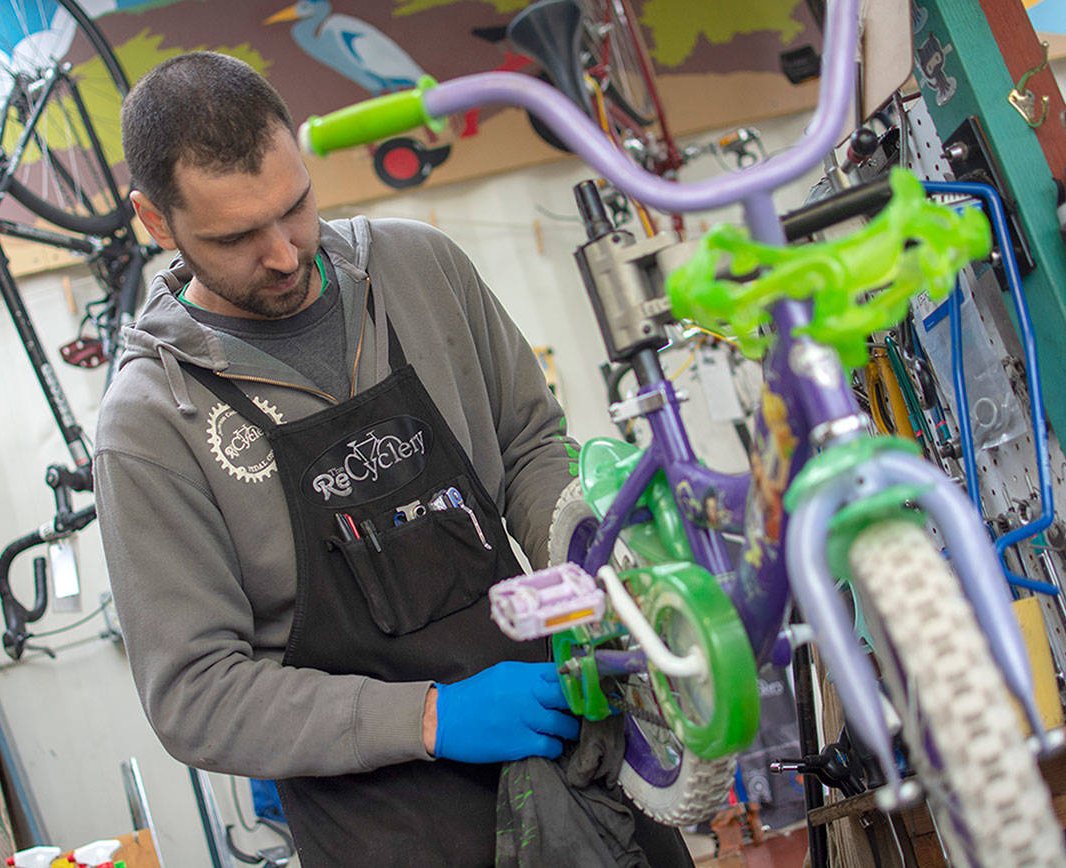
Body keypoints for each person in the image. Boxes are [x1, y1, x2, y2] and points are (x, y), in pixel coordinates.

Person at [95, 51, 690, 866]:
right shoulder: (150, 424)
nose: (283, 253)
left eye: (296, 206)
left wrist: (599, 562)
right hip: (387, 830)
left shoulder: (420, 270)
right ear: (155, 222)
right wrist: (432, 719)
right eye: (235, 236)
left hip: (568, 748)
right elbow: (195, 694)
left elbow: (528, 448)